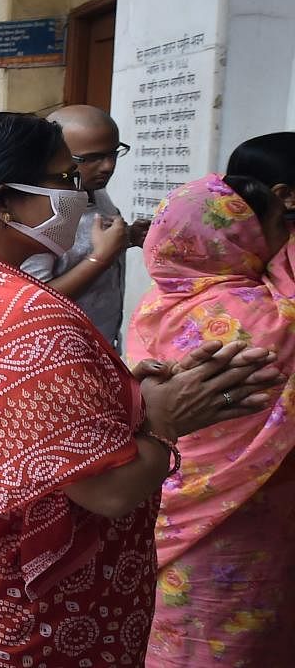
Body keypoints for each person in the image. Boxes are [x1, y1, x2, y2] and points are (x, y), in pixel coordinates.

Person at [0, 111, 284, 667]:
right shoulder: (27, 313)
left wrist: (126, 397)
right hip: (37, 612)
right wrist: (165, 423)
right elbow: (109, 491)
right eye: (62, 180)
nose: (79, 195)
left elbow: (19, 417)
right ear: (2, 200)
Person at [127, 162, 295, 665]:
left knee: (167, 629)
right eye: (275, 227)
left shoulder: (161, 299)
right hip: (238, 513)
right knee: (227, 632)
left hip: (162, 500)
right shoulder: (257, 314)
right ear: (234, 238)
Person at [21, 105, 150, 349]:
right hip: (60, 352)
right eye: (91, 158)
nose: (108, 166)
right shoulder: (41, 210)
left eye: (113, 153)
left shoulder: (96, 191)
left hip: (103, 344)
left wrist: (128, 237)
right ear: (54, 155)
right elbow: (36, 300)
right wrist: (101, 257)